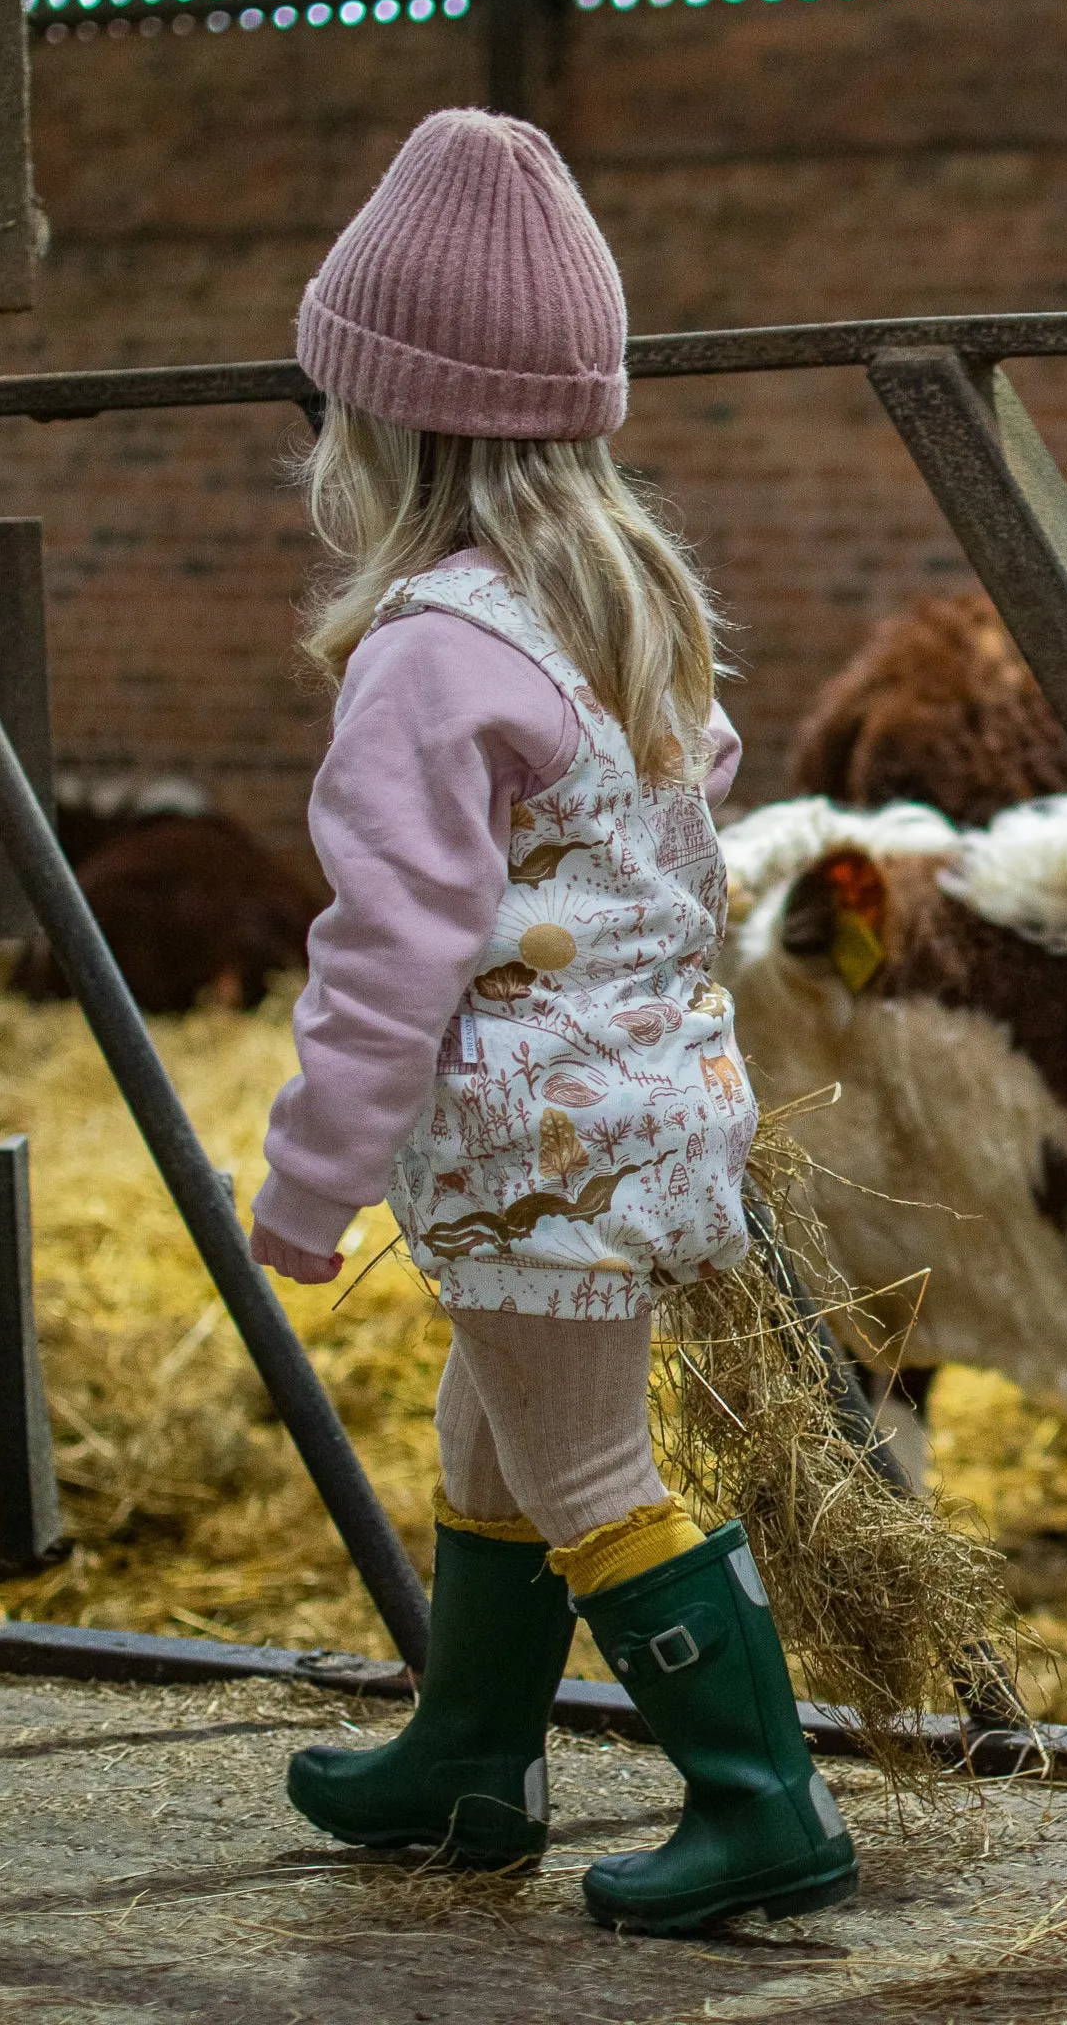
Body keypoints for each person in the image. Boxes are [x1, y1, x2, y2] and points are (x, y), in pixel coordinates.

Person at [245, 108, 856, 1936]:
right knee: (490, 1435)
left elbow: (390, 949)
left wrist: (308, 1181)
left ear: (377, 422)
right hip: (657, 1117)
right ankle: (468, 1757)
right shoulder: (627, 615)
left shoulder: (427, 654)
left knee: (589, 1467)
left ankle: (762, 1805)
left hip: (530, 1155)